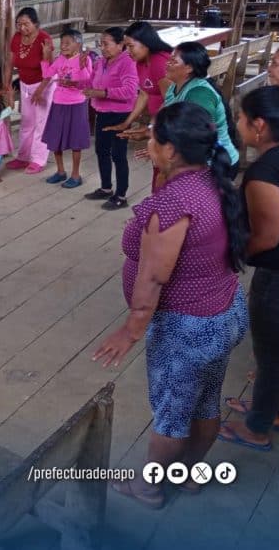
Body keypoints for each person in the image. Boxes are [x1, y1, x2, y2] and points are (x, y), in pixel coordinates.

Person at [94, 101, 248, 510]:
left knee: (171, 415)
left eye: (154, 135)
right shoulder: (213, 181)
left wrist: (131, 330)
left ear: (172, 150)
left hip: (189, 329)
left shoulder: (174, 203)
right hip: (224, 313)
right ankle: (191, 476)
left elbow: (154, 276)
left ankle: (149, 488)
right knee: (205, 401)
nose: (148, 138)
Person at [218, 85, 279, 451]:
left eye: (240, 117)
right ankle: (273, 409)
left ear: (259, 125)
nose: (236, 123)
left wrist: (232, 256)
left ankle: (257, 428)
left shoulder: (266, 172)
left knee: (272, 357)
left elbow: (266, 237)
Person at [116, 42, 240, 177]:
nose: (166, 63)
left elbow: (199, 134)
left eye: (173, 61)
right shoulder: (174, 87)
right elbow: (163, 114)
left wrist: (165, 150)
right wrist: (149, 131)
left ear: (189, 68)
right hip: (193, 157)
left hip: (215, 163)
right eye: (169, 59)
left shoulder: (200, 94)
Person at [81, 27, 139, 210]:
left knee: (118, 154)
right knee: (101, 151)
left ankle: (121, 195)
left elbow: (130, 91)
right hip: (102, 112)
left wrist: (103, 93)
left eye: (106, 44)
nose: (102, 47)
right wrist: (77, 82)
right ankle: (106, 188)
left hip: (120, 114)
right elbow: (91, 83)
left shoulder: (127, 62)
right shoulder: (100, 62)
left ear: (121, 45)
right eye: (100, 44)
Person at [39, 28, 93, 189]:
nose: (63, 46)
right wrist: (46, 56)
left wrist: (82, 67)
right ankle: (60, 171)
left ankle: (76, 175)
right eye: (62, 43)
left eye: (67, 43)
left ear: (78, 44)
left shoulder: (84, 59)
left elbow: (88, 82)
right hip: (58, 102)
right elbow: (47, 74)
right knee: (55, 139)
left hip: (77, 103)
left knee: (76, 140)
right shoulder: (60, 59)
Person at [6, 7, 55, 174]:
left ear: (35, 24)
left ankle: (38, 160)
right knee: (27, 121)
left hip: (44, 84)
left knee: (41, 123)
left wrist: (40, 90)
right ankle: (23, 156)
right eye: (19, 24)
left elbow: (49, 71)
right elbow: (10, 63)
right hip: (25, 84)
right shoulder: (17, 38)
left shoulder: (44, 39)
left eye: (26, 24)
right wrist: (8, 87)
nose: (22, 28)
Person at [105, 21, 173, 133]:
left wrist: (150, 128)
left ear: (146, 43)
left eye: (131, 46)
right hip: (160, 123)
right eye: (126, 47)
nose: (127, 51)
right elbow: (143, 94)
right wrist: (126, 123)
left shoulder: (159, 63)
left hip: (171, 123)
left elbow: (170, 100)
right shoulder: (140, 62)